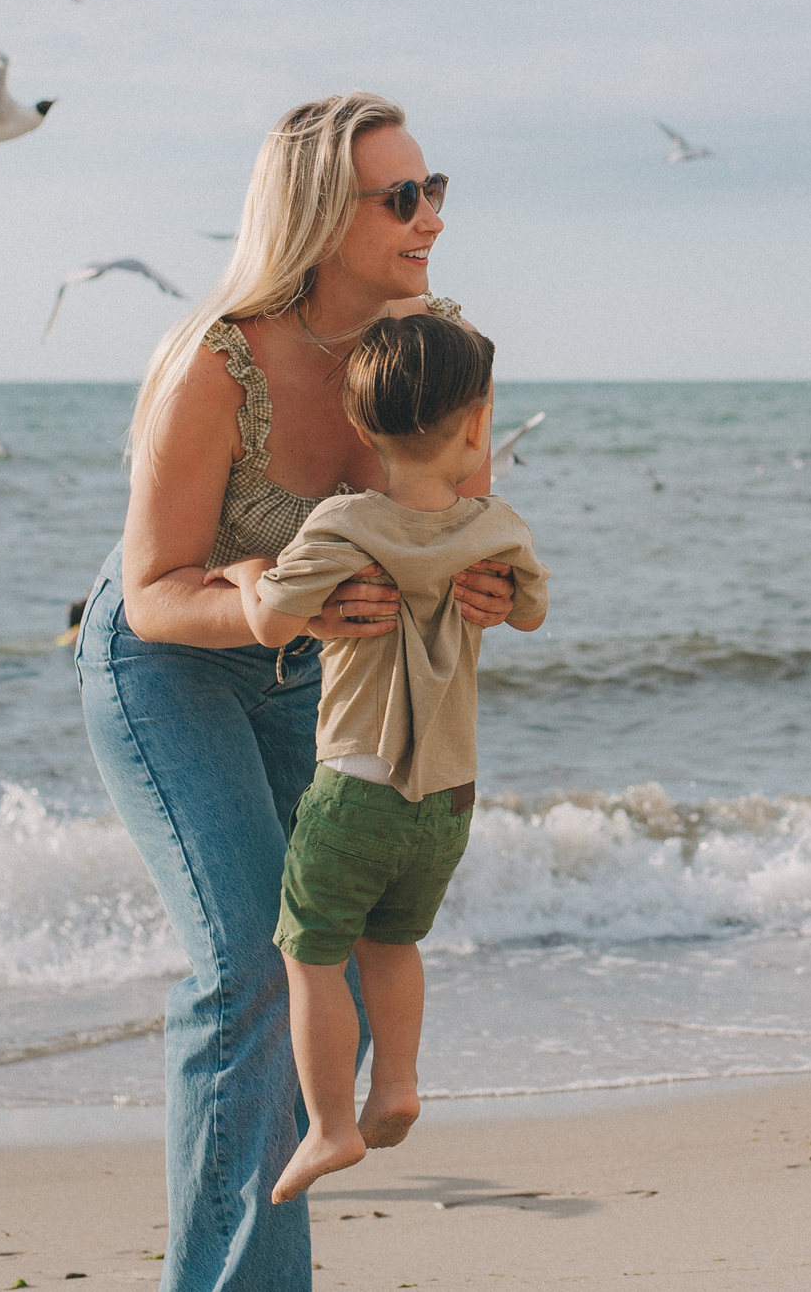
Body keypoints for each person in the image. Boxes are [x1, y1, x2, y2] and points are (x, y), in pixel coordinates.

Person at [75, 92, 520, 1292]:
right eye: (402, 198)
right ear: (325, 215)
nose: (430, 217)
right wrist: (284, 605)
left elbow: (471, 500)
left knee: (332, 973)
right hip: (172, 668)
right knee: (251, 971)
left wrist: (475, 580)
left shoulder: (437, 342)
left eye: (435, 190)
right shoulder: (215, 365)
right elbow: (157, 588)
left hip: (319, 678)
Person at [223, 312, 548, 1203]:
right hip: (449, 798)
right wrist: (505, 593)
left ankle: (330, 1125)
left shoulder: (342, 522)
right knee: (394, 939)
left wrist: (245, 566)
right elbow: (530, 609)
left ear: (362, 430)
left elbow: (272, 621)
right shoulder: (496, 528)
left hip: (357, 786)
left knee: (311, 951)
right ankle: (396, 1081)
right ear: (478, 427)